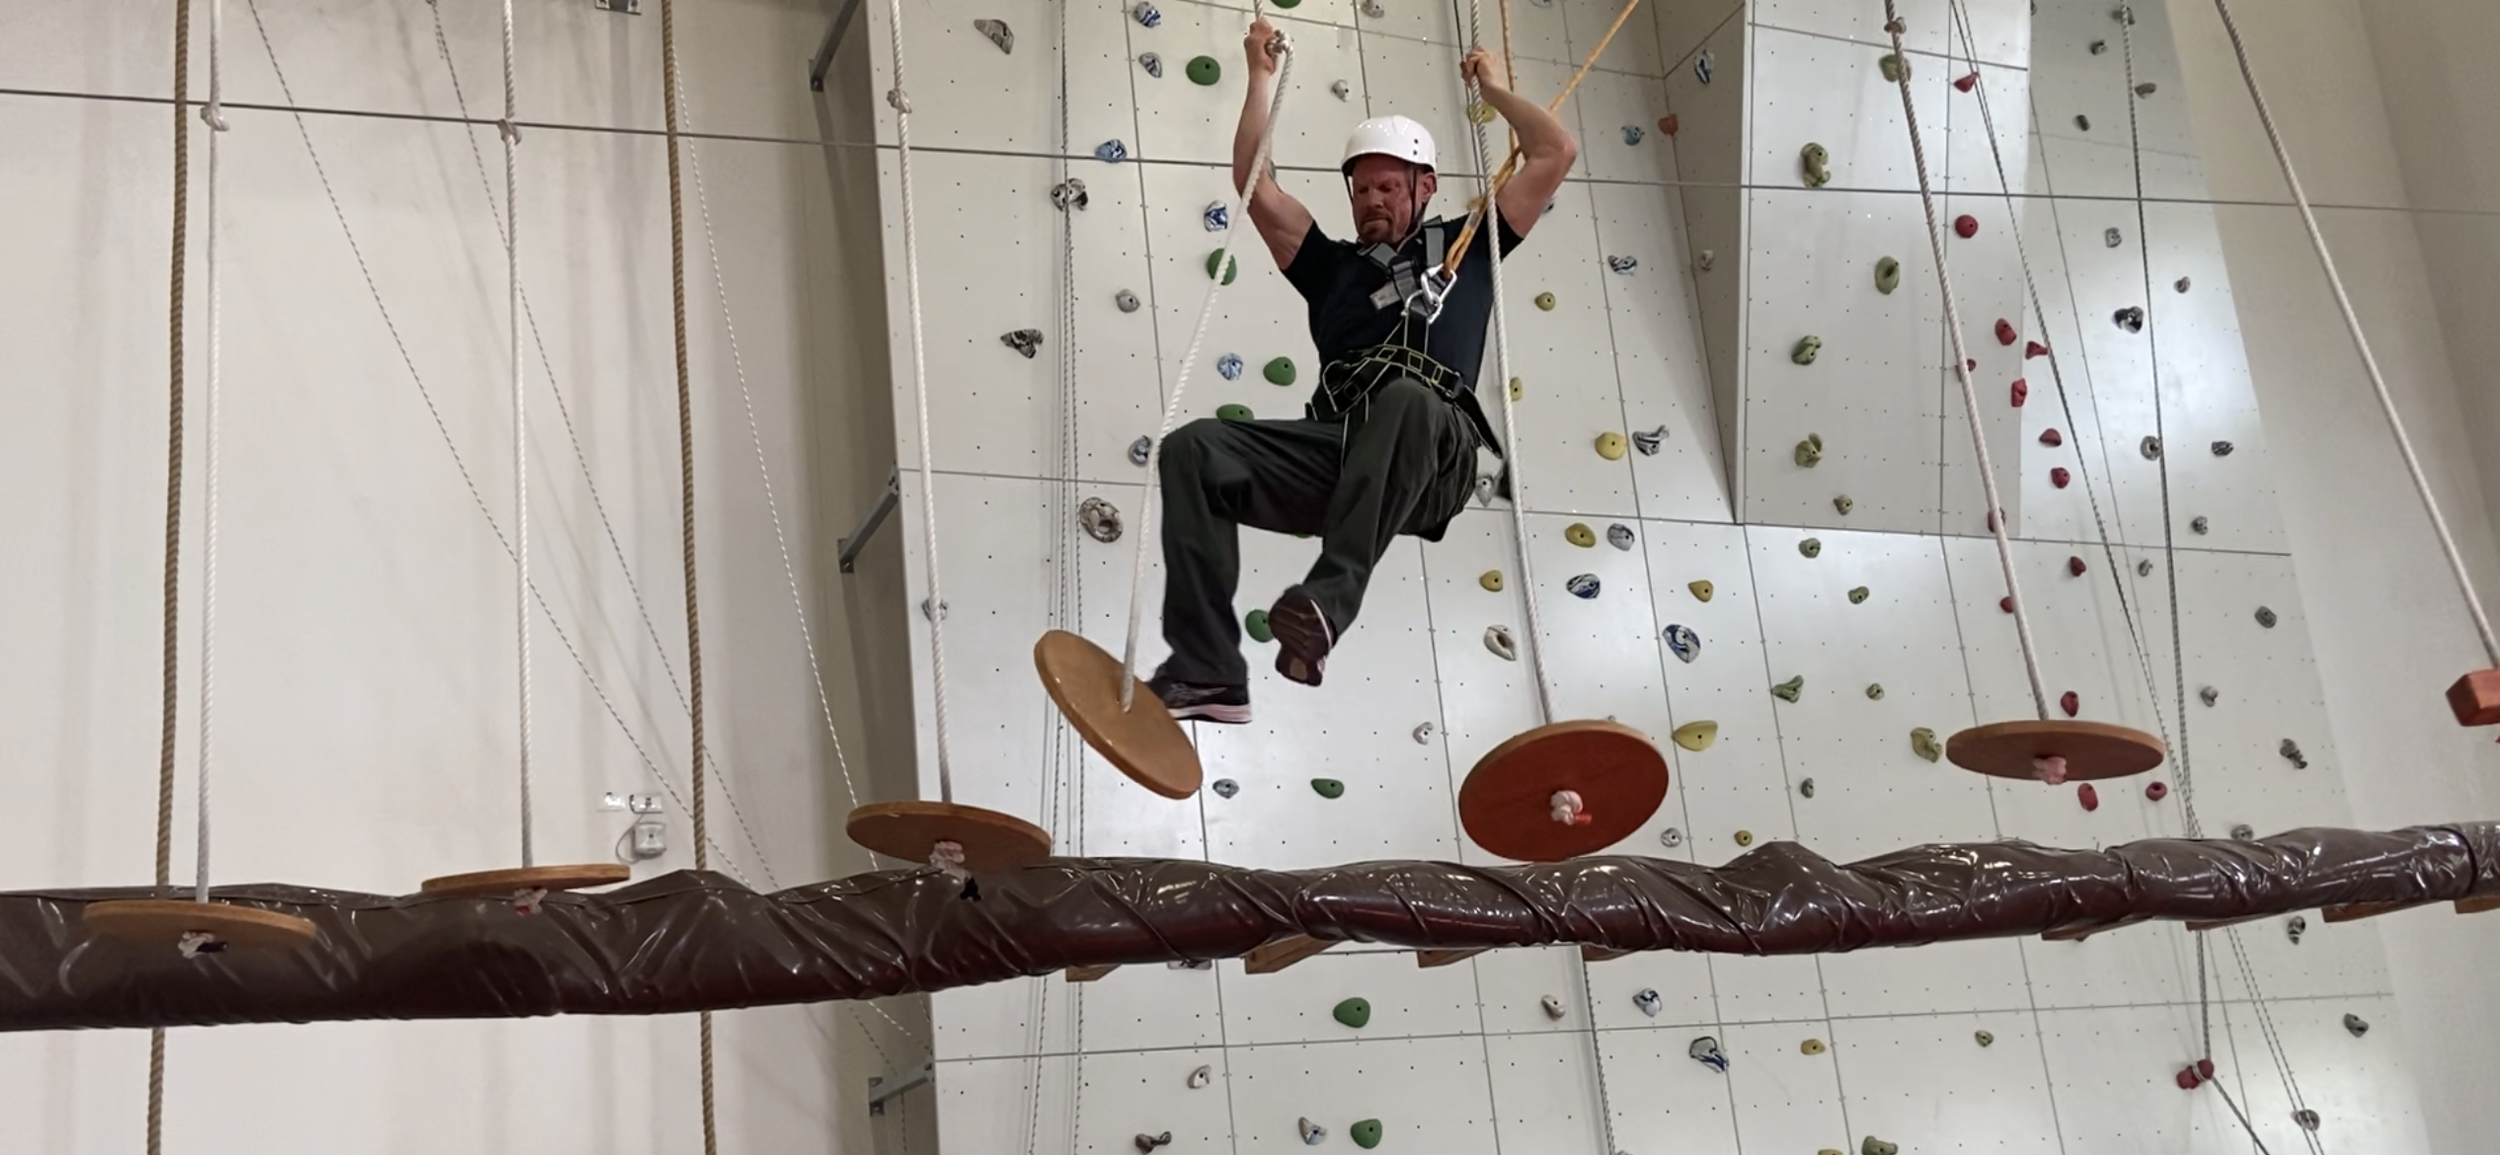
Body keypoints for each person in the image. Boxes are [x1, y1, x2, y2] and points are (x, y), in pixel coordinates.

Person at [1146, 20, 1579, 723]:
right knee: (1193, 449)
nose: (1371, 199)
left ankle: (1325, 604)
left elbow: (1554, 150)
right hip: (1347, 455)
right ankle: (1207, 669)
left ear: (1425, 186)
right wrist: (1260, 78)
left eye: (1387, 186)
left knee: (1406, 396)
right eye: (1361, 190)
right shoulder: (1331, 271)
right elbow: (1254, 184)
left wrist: (1494, 90)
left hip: (1434, 458)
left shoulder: (1471, 246)